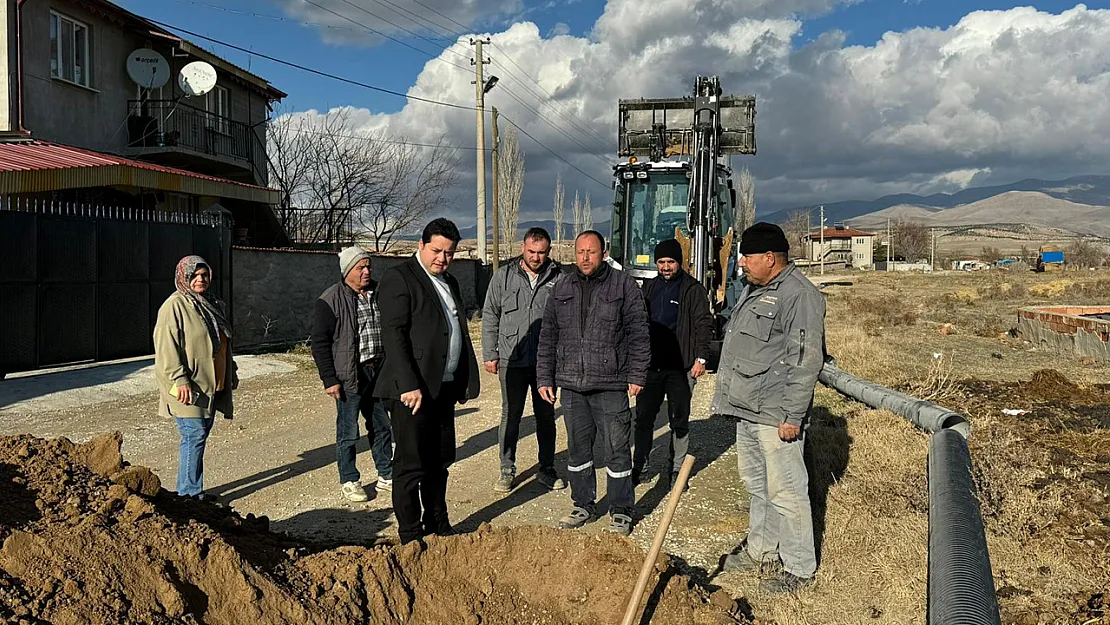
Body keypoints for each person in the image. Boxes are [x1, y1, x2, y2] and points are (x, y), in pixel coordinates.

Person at [712, 222, 826, 595]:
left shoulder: (799, 295)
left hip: (776, 414)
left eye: (746, 256)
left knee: (787, 491)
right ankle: (762, 550)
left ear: (769, 257)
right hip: (749, 409)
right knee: (758, 486)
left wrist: (793, 415)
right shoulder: (754, 289)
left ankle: (799, 567)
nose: (741, 263)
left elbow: (806, 359)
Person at [374, 218, 480, 545]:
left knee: (440, 461)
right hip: (413, 391)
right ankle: (410, 535)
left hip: (442, 388)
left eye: (449, 253)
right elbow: (394, 336)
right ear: (421, 245)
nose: (442, 258)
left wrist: (460, 378)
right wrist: (408, 383)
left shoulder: (450, 281)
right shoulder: (399, 279)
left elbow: (453, 330)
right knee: (411, 464)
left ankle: (438, 524)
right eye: (437, 251)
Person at [537, 230, 650, 536]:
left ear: (604, 252)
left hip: (611, 384)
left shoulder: (623, 285)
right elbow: (548, 336)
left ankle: (621, 509)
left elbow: (639, 333)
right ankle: (582, 504)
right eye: (580, 252)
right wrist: (545, 377)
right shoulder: (562, 286)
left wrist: (637, 374)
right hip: (572, 385)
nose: (585, 258)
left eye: (591, 252)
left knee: (617, 450)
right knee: (577, 451)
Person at [481, 227, 567, 493]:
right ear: (523, 248)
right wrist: (490, 353)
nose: (536, 257)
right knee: (511, 416)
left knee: (545, 416)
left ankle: (546, 469)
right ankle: (507, 468)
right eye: (532, 251)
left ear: (549, 252)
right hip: (512, 359)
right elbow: (490, 315)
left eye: (542, 253)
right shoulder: (504, 277)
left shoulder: (560, 278)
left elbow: (567, 321)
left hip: (545, 363)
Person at [311, 246, 394, 503]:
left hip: (378, 371)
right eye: (361, 267)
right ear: (348, 271)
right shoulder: (330, 299)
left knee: (381, 426)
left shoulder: (380, 292)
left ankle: (386, 473)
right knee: (348, 432)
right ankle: (349, 479)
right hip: (350, 375)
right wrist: (330, 379)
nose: (367, 271)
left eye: (368, 266)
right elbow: (319, 342)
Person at [154, 255, 237, 499]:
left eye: (204, 275)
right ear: (184, 277)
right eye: (194, 275)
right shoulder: (175, 306)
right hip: (185, 385)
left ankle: (191, 490)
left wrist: (230, 369)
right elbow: (166, 347)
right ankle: (189, 495)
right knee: (194, 434)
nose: (200, 279)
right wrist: (180, 379)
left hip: (209, 384)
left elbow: (220, 341)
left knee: (200, 434)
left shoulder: (211, 304)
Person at [632, 239, 714, 488]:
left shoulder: (692, 289)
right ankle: (640, 466)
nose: (666, 267)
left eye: (670, 262)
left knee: (679, 419)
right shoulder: (649, 288)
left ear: (679, 262)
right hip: (651, 367)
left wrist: (701, 358)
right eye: (661, 262)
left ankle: (676, 470)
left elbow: (704, 324)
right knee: (644, 419)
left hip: (681, 367)